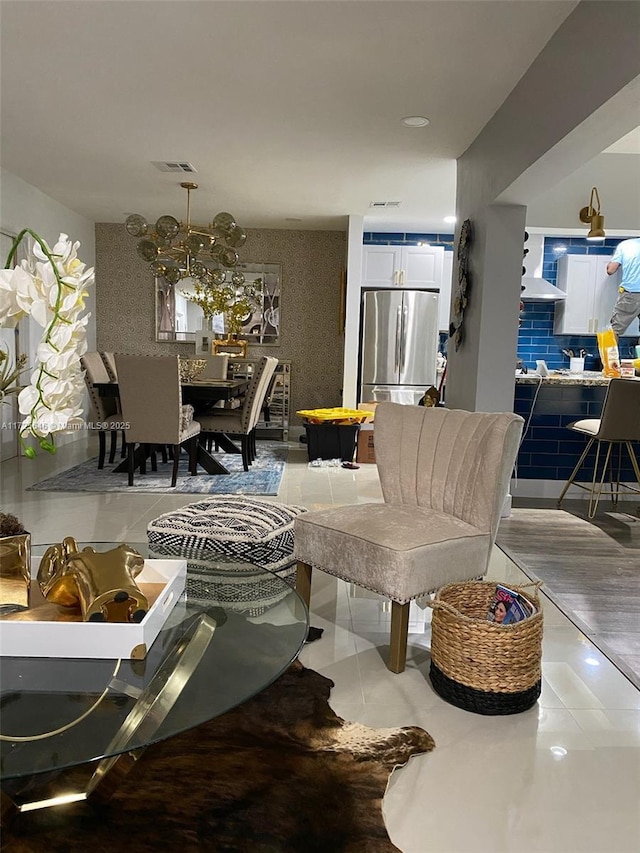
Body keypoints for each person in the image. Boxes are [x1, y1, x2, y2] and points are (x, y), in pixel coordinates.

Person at [606, 237, 640, 338]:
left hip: (631, 294)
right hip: (631, 293)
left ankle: (610, 354)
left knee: (613, 331)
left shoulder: (626, 245)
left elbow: (610, 270)